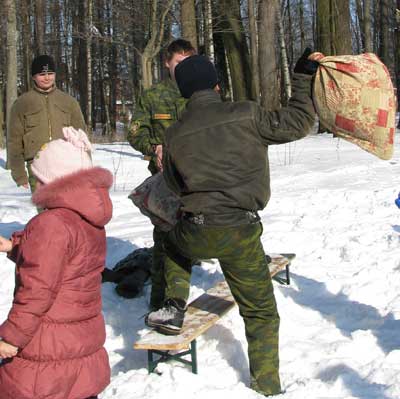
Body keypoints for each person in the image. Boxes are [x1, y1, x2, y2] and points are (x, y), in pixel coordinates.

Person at [145, 52, 319, 396]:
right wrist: (302, 77)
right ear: (217, 85)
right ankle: (266, 385)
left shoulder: (175, 133)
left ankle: (173, 303)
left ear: (183, 94)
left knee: (169, 236)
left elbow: (176, 186)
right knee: (261, 314)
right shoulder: (246, 114)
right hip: (239, 233)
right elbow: (300, 121)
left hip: (195, 230)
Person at [0, 127, 112, 399]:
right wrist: (15, 246)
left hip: (48, 348)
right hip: (79, 343)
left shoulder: (50, 224)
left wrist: (11, 338)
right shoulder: (87, 219)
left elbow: (37, 291)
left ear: (54, 183)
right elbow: (67, 261)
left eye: (39, 179)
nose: (35, 185)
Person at [127, 39, 196, 310]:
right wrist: (152, 146)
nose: (182, 68)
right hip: (165, 183)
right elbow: (134, 131)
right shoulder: (153, 96)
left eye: (188, 62)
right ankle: (159, 305)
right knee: (164, 245)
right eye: (178, 63)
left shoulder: (200, 93)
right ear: (167, 63)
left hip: (198, 181)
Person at [7, 54, 86, 192]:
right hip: (37, 166)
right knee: (45, 211)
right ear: (33, 76)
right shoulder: (22, 103)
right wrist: (19, 174)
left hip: (66, 165)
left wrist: (86, 168)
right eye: (42, 74)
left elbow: (82, 137)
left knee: (67, 210)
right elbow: (14, 141)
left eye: (50, 73)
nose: (47, 77)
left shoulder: (69, 102)